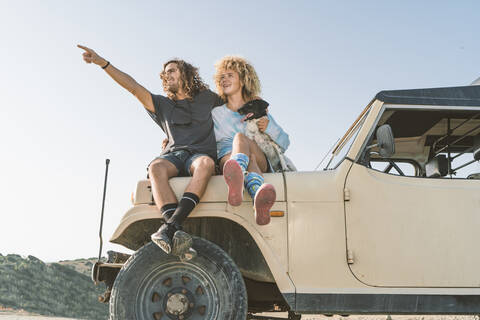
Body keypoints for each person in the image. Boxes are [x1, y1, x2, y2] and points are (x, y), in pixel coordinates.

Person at [77, 45, 223, 255]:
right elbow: (133, 87)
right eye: (165, 73)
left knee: (206, 164)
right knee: (155, 167)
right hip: (174, 155)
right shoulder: (162, 104)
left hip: (200, 155)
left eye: (172, 70)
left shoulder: (207, 98)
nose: (167, 74)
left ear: (186, 73)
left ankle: (170, 228)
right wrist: (103, 63)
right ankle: (175, 230)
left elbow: (236, 100)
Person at [212, 56, 290, 225]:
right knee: (249, 158)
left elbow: (285, 143)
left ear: (243, 79)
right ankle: (257, 195)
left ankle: (237, 177)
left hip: (255, 157)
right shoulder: (216, 113)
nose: (225, 79)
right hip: (227, 156)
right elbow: (202, 135)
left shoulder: (258, 109)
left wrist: (269, 127)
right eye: (222, 77)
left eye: (230, 75)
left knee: (241, 139)